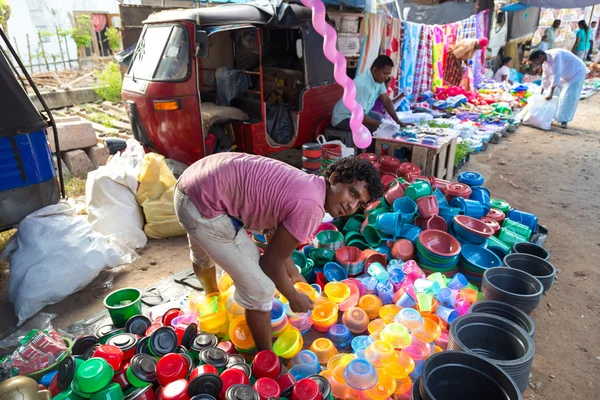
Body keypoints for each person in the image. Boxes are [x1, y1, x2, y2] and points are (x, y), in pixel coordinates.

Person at [174, 153, 384, 350]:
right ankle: (266, 358)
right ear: (335, 178)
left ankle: (214, 300)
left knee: (204, 252)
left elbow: (275, 239)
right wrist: (292, 296)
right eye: (352, 193)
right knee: (262, 289)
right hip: (202, 204)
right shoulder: (311, 207)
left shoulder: (309, 184)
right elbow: (270, 263)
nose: (351, 205)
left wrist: (293, 275)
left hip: (192, 184)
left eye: (359, 203)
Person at [331, 55, 403, 133]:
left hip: (356, 114)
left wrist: (398, 122)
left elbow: (386, 100)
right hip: (343, 118)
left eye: (388, 74)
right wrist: (381, 125)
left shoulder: (378, 79)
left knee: (377, 117)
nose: (386, 77)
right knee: (375, 129)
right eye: (385, 73)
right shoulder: (363, 86)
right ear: (375, 70)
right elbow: (360, 117)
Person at [529, 49, 589, 129]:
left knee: (568, 97)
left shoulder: (556, 56)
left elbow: (557, 74)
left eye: (535, 61)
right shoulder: (545, 61)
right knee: (555, 93)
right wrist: (542, 90)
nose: (535, 63)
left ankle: (564, 121)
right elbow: (545, 76)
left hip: (576, 73)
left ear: (540, 56)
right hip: (565, 75)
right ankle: (552, 116)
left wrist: (550, 93)